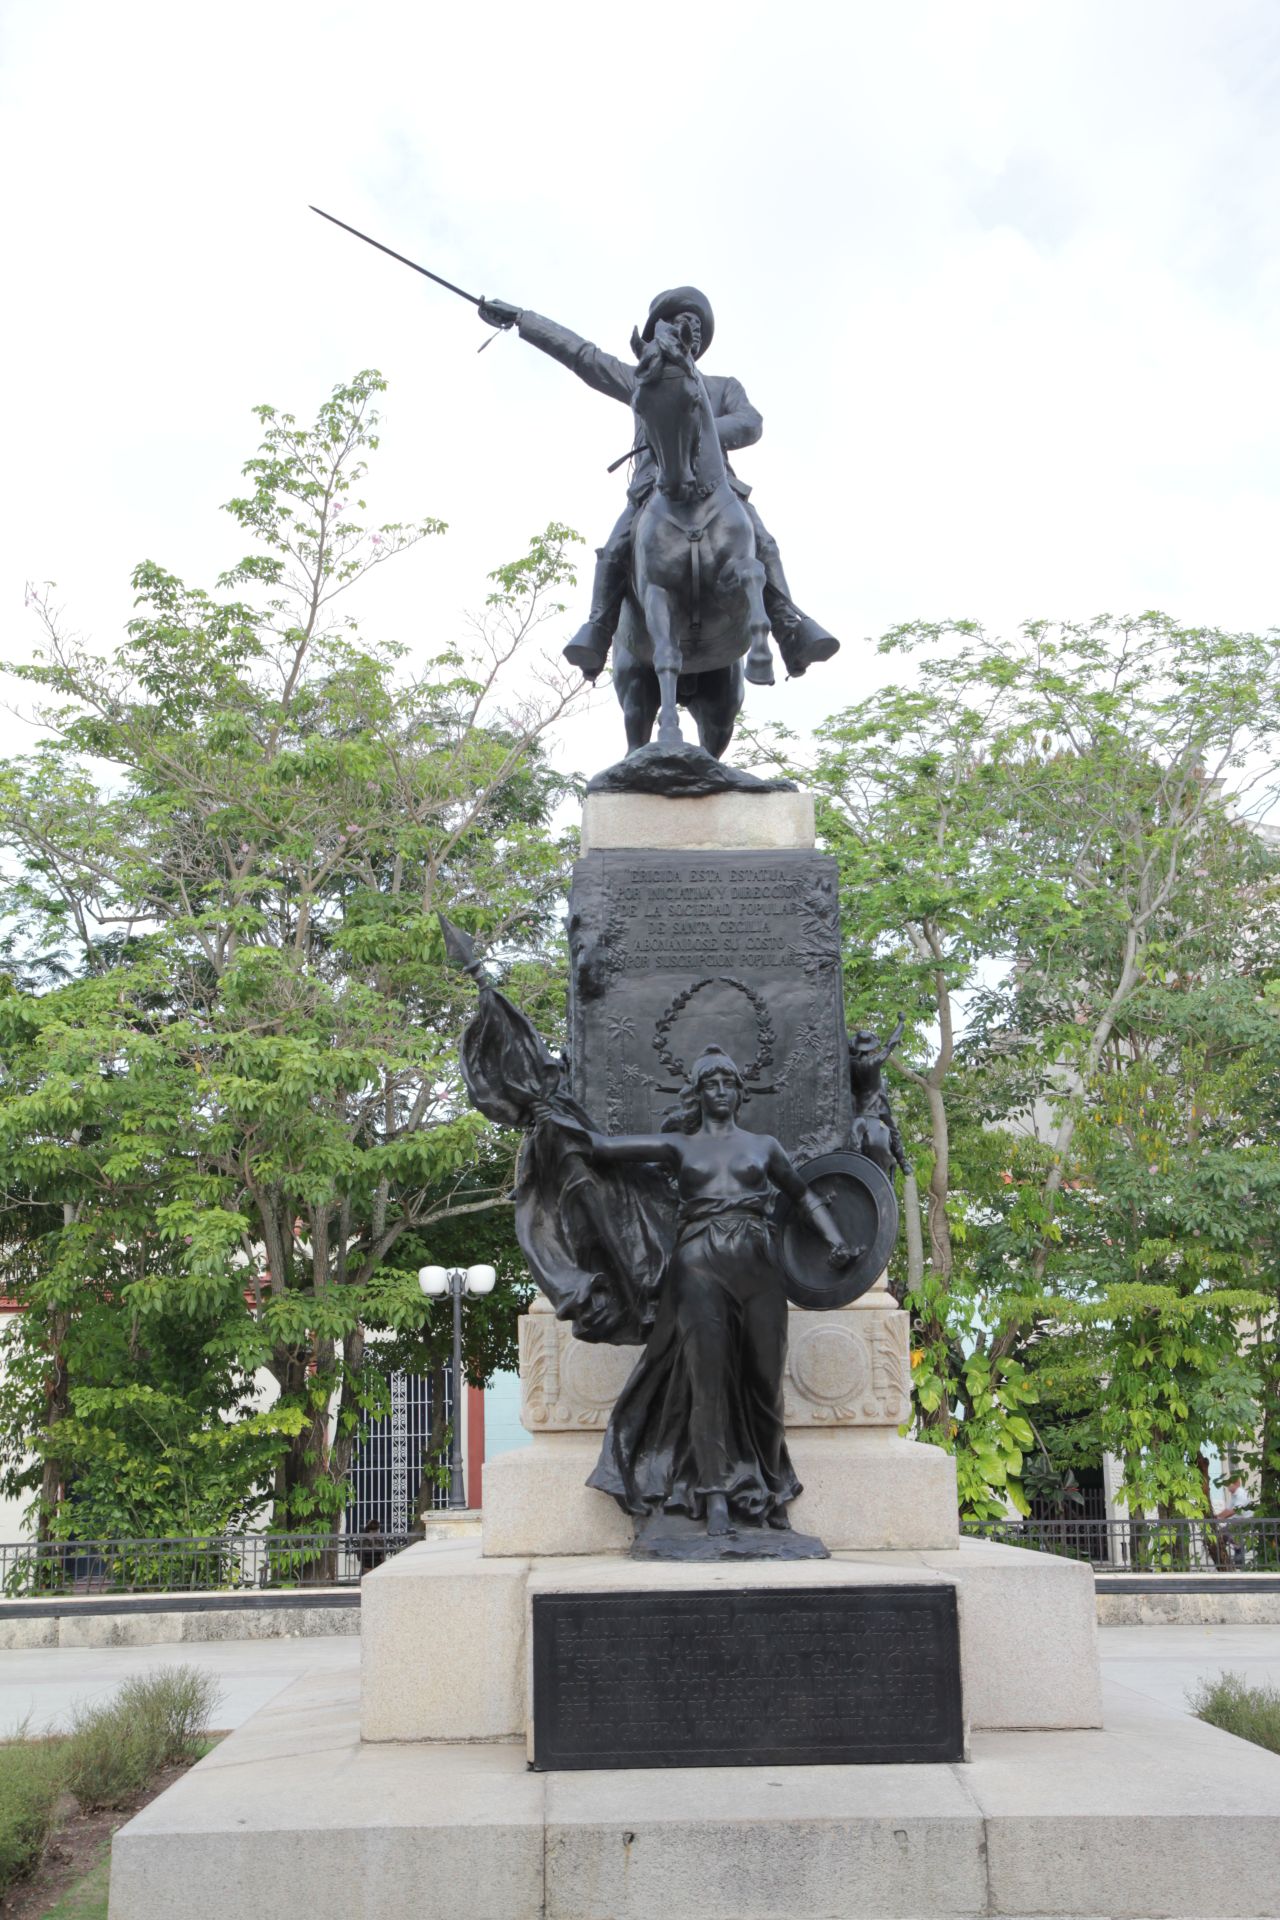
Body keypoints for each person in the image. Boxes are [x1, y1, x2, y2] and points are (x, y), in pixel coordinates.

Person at [478, 286, 840, 685]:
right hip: (653, 490)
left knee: (762, 541)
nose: (694, 328)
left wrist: (700, 428)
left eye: (698, 324)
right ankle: (598, 629)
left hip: (718, 489)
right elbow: (583, 356)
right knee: (615, 548)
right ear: (661, 330)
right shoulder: (641, 380)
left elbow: (750, 422)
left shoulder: (724, 387)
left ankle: (788, 627)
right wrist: (522, 320)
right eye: (685, 321)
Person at [578, 1045, 856, 1542]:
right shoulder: (679, 1147)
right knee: (706, 1382)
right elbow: (602, 1149)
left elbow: (803, 1195)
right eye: (711, 1084)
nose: (721, 1091)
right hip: (699, 1264)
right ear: (699, 1093)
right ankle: (715, 1496)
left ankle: (769, 1489)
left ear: (740, 1092)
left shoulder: (765, 1146)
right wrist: (552, 1113)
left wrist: (835, 1240)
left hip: (758, 1263)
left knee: (765, 1381)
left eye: (729, 1083)